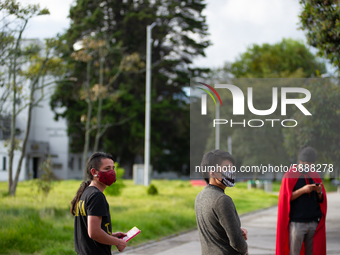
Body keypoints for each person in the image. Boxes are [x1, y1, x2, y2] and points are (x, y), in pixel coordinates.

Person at [70, 152, 127, 254]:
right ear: (94, 172)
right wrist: (118, 242)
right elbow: (94, 233)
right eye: (107, 168)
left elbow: (90, 229)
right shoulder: (96, 196)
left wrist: (110, 235)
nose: (112, 172)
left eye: (113, 168)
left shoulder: (86, 192)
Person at [195, 150, 248, 255]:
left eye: (232, 168)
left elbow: (215, 229)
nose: (231, 171)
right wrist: (245, 248)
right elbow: (237, 243)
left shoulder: (200, 196)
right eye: (226, 168)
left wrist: (238, 231)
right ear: (212, 172)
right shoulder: (223, 200)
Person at [276, 146, 327, 255]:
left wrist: (319, 192)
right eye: (306, 164)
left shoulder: (314, 175)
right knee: (294, 253)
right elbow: (285, 200)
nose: (309, 167)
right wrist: (303, 190)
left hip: (313, 223)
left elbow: (321, 200)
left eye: (311, 164)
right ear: (300, 161)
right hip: (297, 224)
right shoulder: (289, 175)